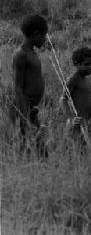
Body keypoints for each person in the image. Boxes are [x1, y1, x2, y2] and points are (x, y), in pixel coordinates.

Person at [12, 14, 49, 157]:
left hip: (31, 109)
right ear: (35, 34)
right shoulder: (20, 55)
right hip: (24, 108)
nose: (45, 39)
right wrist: (24, 115)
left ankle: (38, 170)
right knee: (27, 144)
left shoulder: (32, 53)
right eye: (44, 36)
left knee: (37, 145)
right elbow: (18, 88)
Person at [61, 47, 91, 148]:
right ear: (77, 64)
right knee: (75, 152)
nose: (90, 67)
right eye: (86, 64)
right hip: (76, 125)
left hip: (86, 124)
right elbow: (63, 100)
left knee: (85, 153)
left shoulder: (85, 79)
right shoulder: (73, 79)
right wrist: (72, 118)